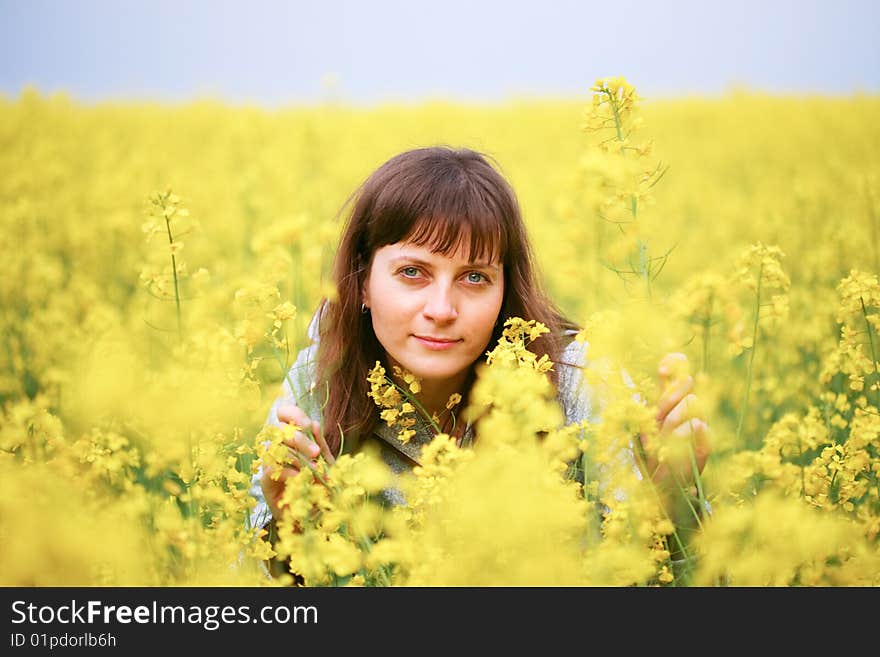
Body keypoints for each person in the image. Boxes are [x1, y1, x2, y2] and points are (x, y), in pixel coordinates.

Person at [248, 145, 710, 579]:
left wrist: (669, 503)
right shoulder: (318, 386)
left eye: (474, 277)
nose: (442, 309)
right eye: (413, 273)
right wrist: (291, 532)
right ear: (364, 281)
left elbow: (669, 578)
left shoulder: (580, 379)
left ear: (505, 288)